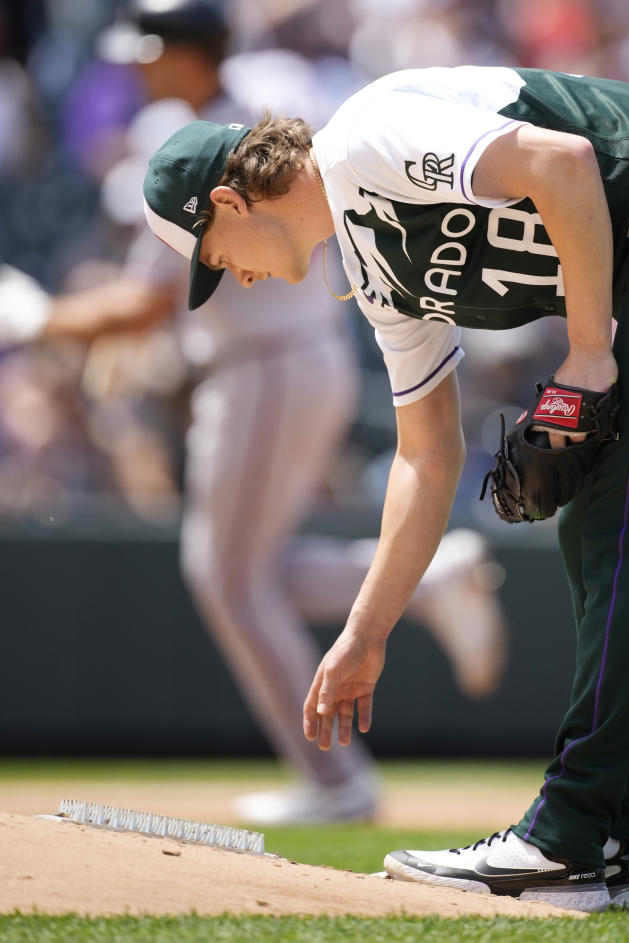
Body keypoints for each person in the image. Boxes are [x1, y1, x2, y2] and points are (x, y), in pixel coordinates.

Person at [140, 65, 629, 910]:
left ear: (232, 205)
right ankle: (613, 843)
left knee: (617, 524)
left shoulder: (362, 140)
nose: (234, 279)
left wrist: (587, 352)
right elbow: (428, 454)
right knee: (594, 528)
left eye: (215, 260)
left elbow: (563, 162)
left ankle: (570, 835)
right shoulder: (371, 267)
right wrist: (366, 628)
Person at [0, 8, 508, 827]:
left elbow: (144, 301)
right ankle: (430, 581)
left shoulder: (183, 138)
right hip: (299, 360)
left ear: (185, 55)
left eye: (149, 55)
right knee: (250, 572)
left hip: (264, 367)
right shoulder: (267, 103)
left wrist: (32, 320)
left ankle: (338, 778)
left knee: (227, 575)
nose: (137, 72)